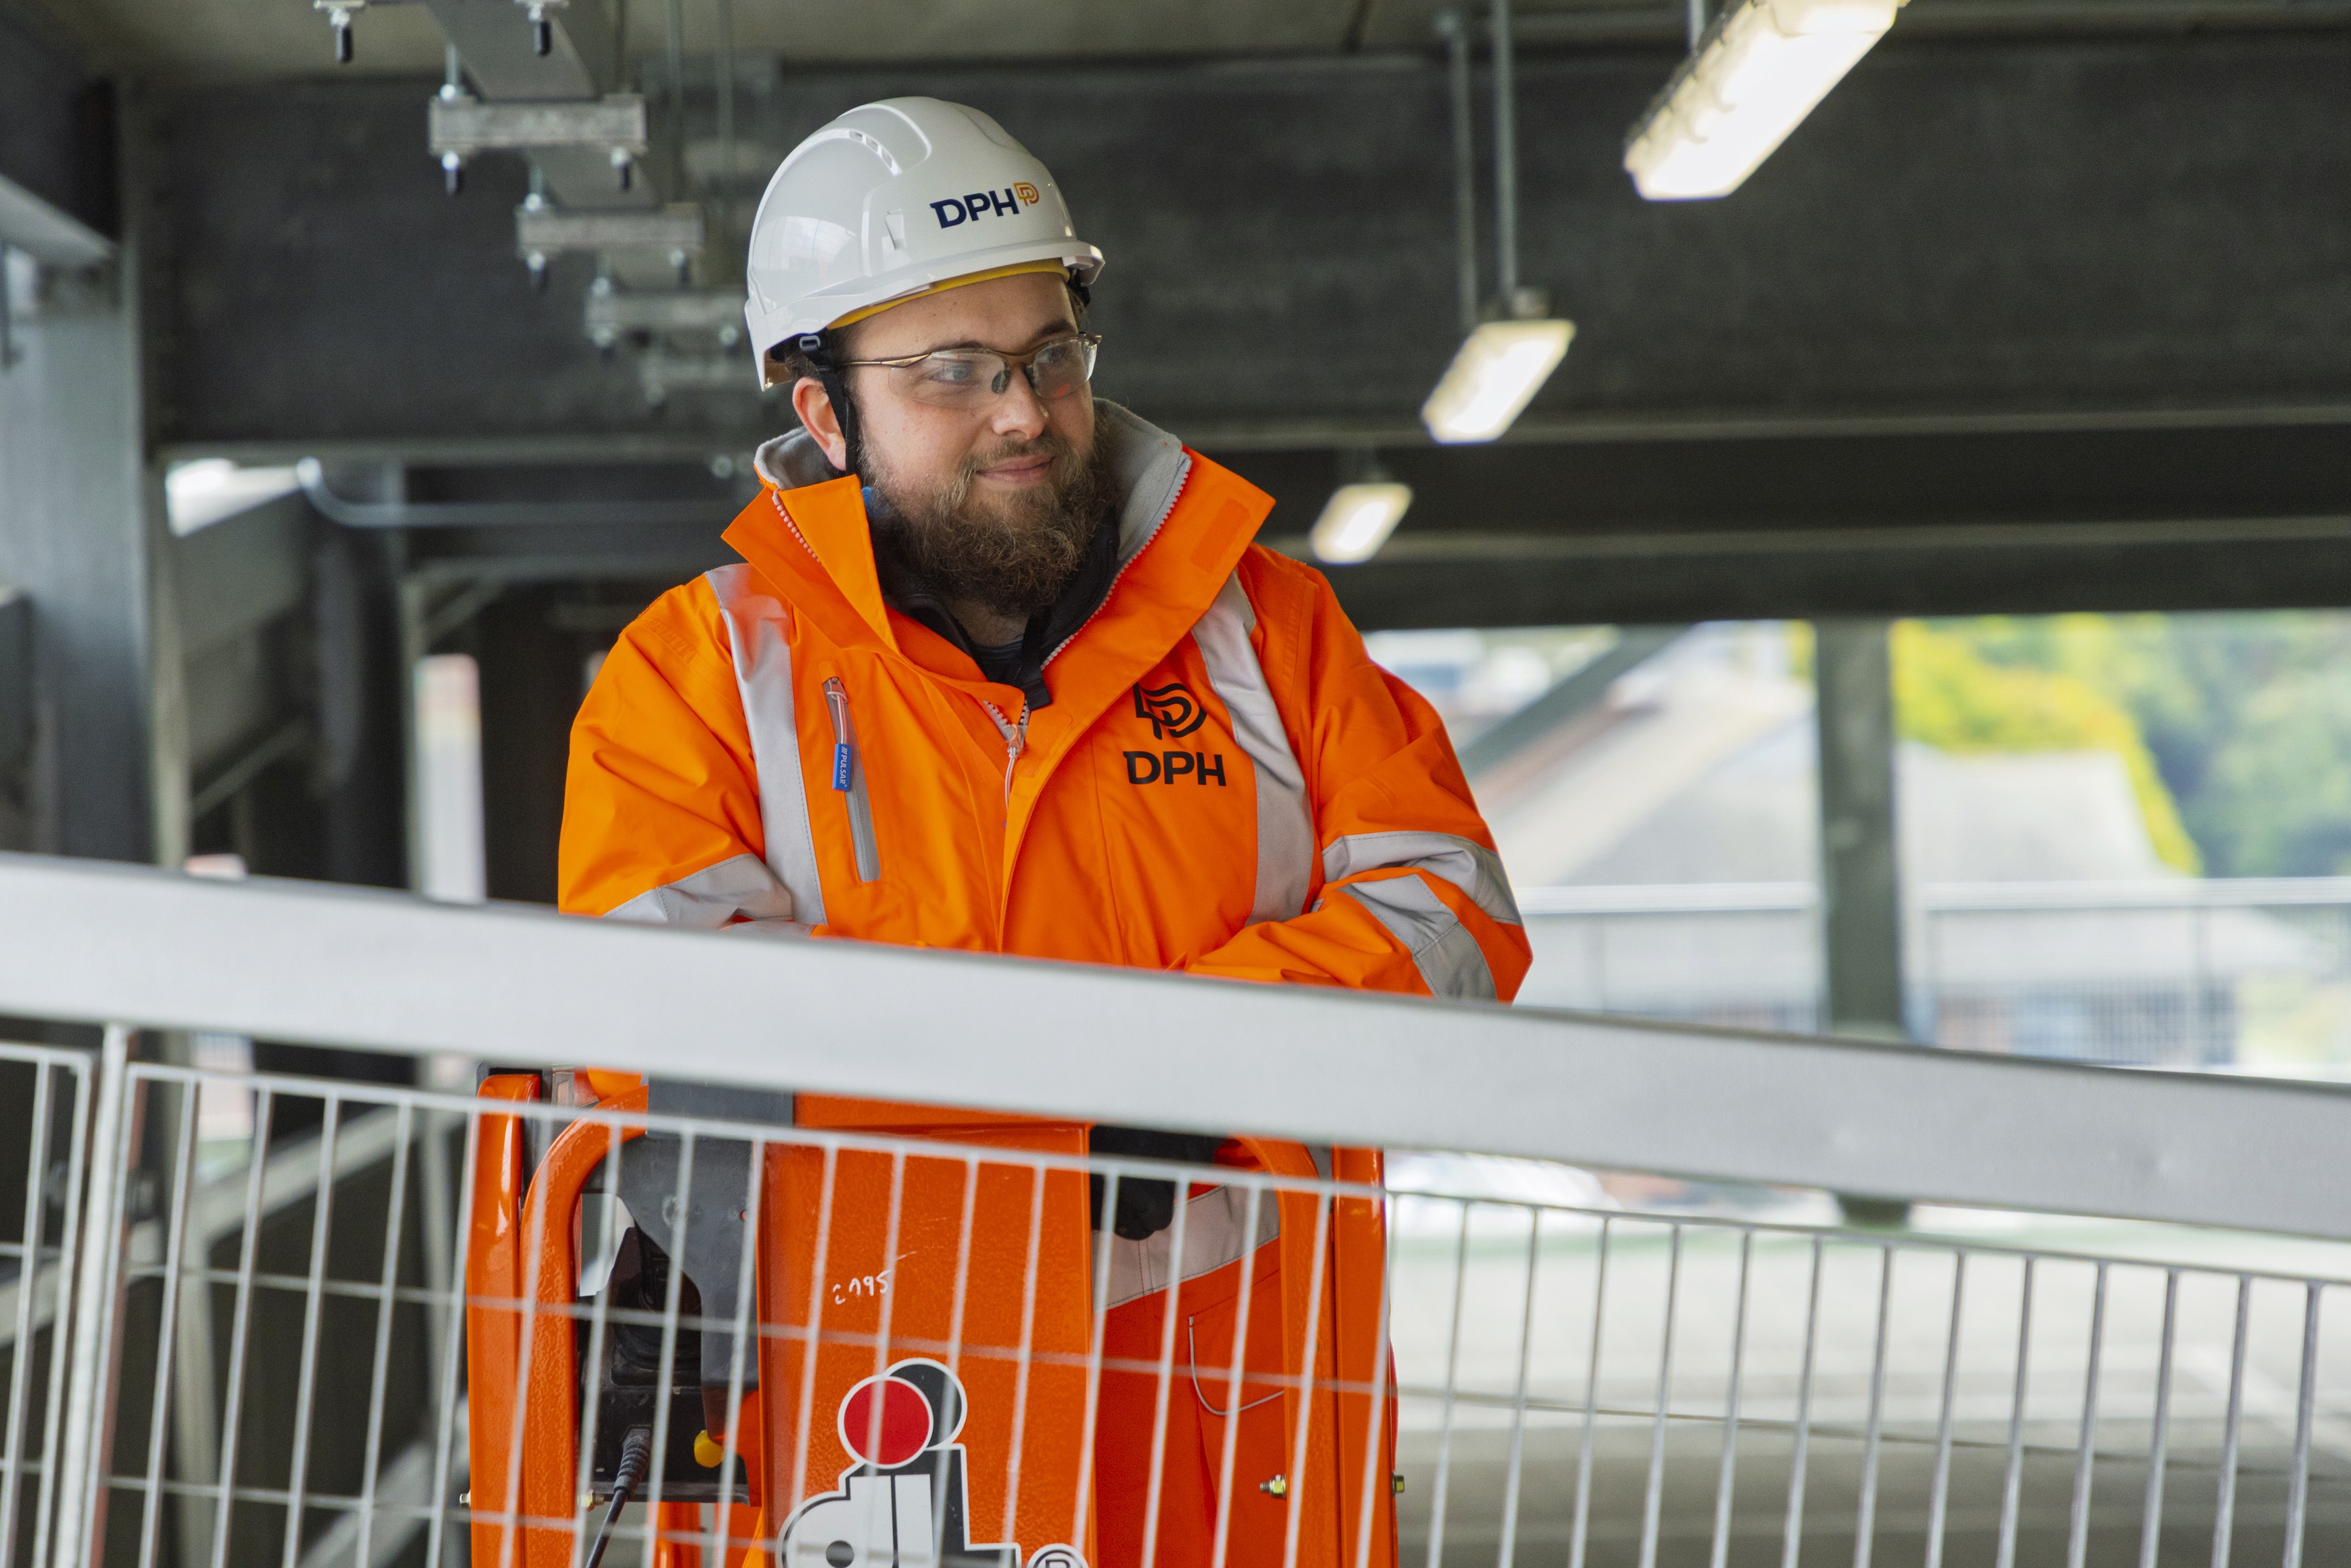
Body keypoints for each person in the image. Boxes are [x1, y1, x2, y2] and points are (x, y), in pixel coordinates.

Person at [558, 97, 1529, 1568]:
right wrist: (1056, 1119)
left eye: (1048, 356)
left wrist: (1186, 1067)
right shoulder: (697, 677)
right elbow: (662, 1010)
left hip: (1236, 1426)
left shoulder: (1270, 633)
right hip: (874, 1423)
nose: (1022, 409)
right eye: (953, 371)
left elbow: (1449, 906)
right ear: (825, 411)